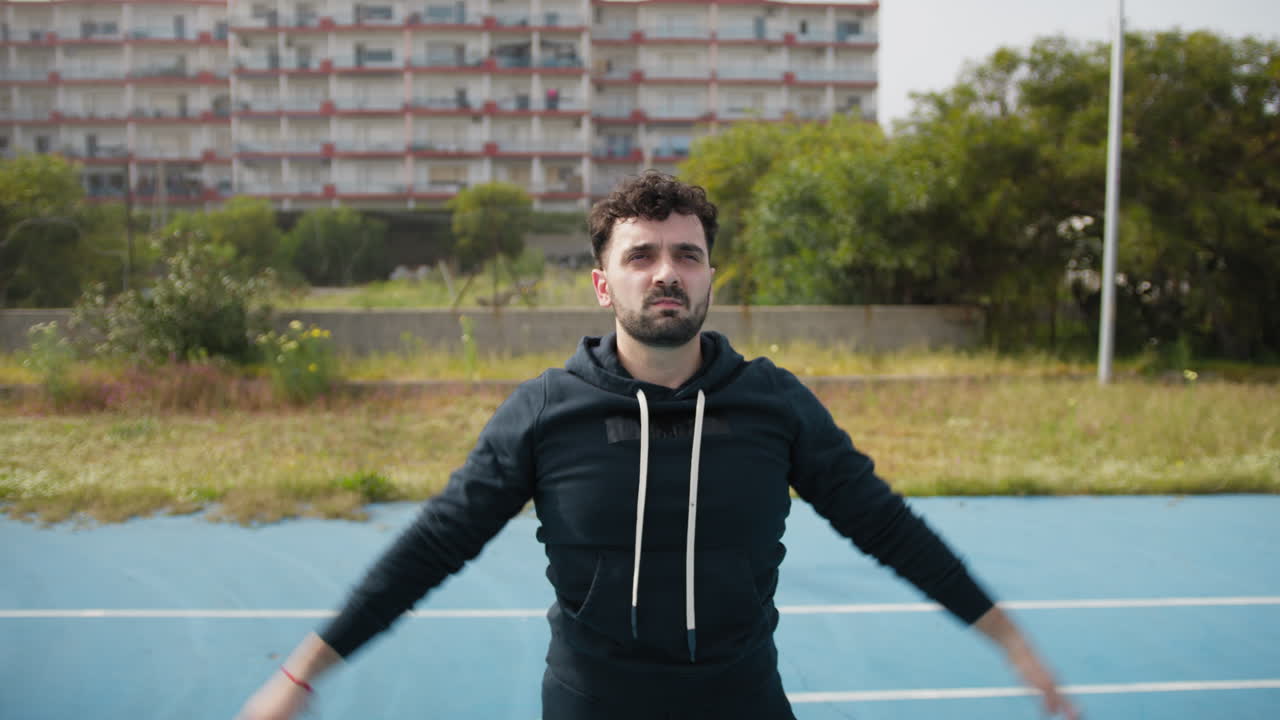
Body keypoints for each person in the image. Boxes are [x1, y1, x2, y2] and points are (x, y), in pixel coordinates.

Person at [236, 171, 1080, 720]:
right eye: (640, 256)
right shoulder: (546, 411)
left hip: (743, 701)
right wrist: (304, 669)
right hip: (592, 704)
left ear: (710, 276)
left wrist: (1008, 638)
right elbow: (434, 543)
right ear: (604, 283)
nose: (666, 271)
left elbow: (886, 525)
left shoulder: (774, 404)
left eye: (687, 254)